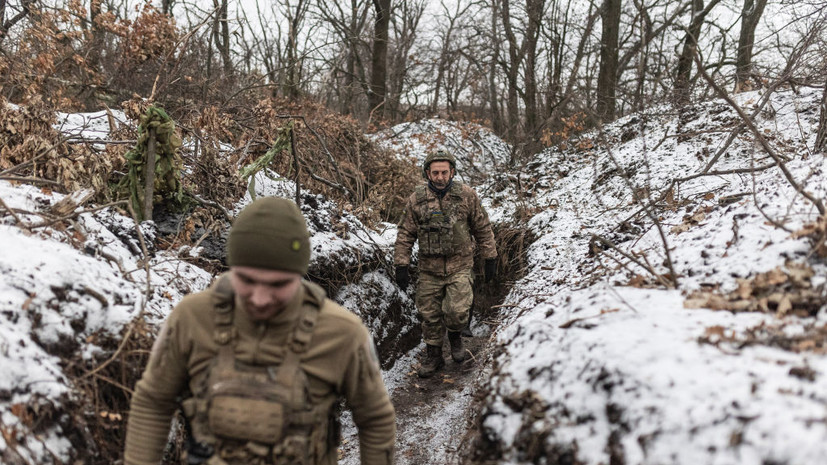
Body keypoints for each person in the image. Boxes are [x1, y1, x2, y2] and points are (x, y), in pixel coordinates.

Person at [124, 197, 396, 465]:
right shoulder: (192, 318)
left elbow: (375, 420)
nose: (260, 298)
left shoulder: (343, 333)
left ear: (301, 274)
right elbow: (153, 402)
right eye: (247, 280)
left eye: (278, 285)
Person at [394, 150, 497, 378]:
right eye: (435, 172)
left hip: (460, 265)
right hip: (429, 269)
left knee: (457, 311)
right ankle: (434, 356)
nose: (440, 177)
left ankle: (455, 338)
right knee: (429, 315)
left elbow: (482, 227)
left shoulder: (467, 196)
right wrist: (401, 264)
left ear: (452, 172)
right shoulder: (416, 199)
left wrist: (490, 257)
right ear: (428, 174)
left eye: (444, 172)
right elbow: (405, 233)